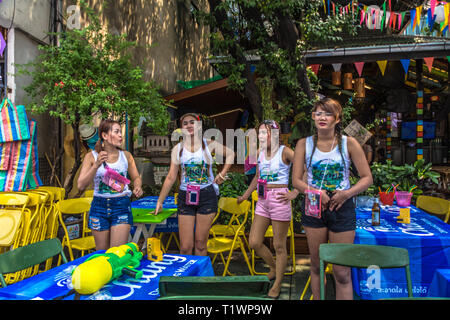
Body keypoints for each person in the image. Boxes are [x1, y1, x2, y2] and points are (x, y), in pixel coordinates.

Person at [292, 98, 372, 300]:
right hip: (314, 208)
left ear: (337, 119)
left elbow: (367, 178)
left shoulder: (349, 143)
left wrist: (347, 193)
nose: (322, 117)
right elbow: (295, 181)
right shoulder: (304, 144)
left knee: (342, 272)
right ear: (313, 117)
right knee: (317, 264)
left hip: (342, 208)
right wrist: (315, 193)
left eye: (327, 114)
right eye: (318, 113)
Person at [154, 113, 235, 256]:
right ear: (181, 128)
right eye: (185, 123)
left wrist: (222, 174)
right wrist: (160, 201)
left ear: (198, 126)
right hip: (185, 196)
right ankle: (186, 277)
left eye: (192, 122)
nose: (189, 126)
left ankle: (199, 278)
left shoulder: (209, 144)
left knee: (200, 244)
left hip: (206, 196)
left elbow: (231, 154)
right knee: (185, 246)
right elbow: (171, 177)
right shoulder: (178, 149)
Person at [237, 119, 299, 299]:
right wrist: (246, 195)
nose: (263, 136)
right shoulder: (259, 153)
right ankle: (273, 267)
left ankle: (278, 283)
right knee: (254, 242)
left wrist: (295, 191)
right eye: (261, 133)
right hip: (263, 200)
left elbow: (303, 168)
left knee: (279, 246)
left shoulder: (285, 151)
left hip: (280, 198)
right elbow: (257, 177)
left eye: (267, 132)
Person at [78, 119, 143, 250]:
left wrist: (138, 186)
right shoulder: (91, 157)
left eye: (121, 132)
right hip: (99, 207)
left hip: (121, 206)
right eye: (116, 132)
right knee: (102, 255)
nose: (121, 135)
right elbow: (80, 185)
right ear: (105, 136)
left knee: (116, 254)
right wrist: (96, 165)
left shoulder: (126, 155)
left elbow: (136, 177)